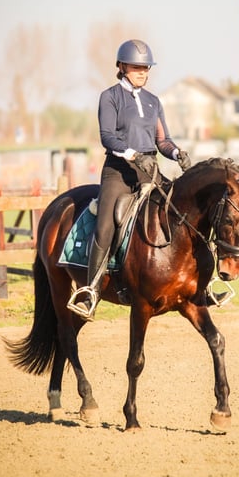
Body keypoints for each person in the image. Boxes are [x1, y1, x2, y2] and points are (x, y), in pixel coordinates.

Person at [68, 39, 191, 320]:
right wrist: (134, 155)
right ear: (122, 66)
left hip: (151, 170)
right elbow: (107, 136)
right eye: (137, 67)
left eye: (145, 68)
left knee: (180, 214)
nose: (142, 72)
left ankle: (197, 284)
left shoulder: (153, 101)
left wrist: (177, 154)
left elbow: (162, 140)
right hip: (118, 172)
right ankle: (91, 290)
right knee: (106, 224)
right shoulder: (109, 97)